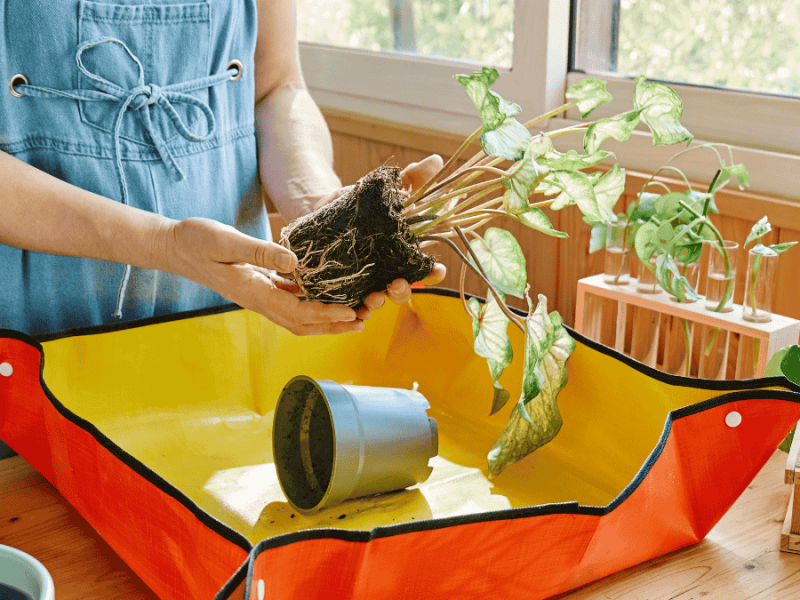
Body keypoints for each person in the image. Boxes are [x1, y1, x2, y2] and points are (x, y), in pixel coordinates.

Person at [0, 0, 446, 338]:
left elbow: (275, 86)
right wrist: (164, 244)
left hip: (233, 302)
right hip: (36, 321)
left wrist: (317, 203)